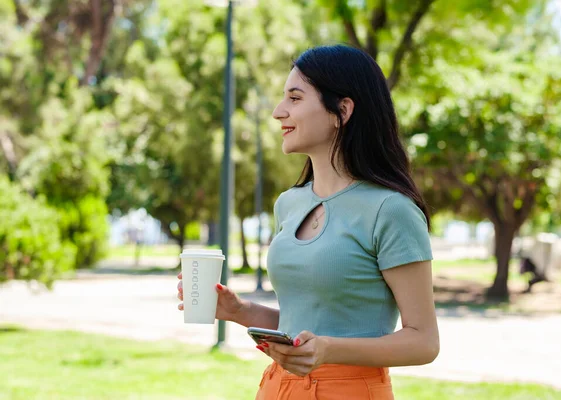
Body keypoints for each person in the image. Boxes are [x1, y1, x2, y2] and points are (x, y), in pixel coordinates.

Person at [177, 44, 439, 399]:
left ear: (341, 111)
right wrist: (240, 311)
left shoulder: (391, 210)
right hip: (277, 388)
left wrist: (329, 350)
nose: (277, 112)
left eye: (295, 98)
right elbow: (305, 328)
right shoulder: (289, 203)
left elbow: (423, 341)